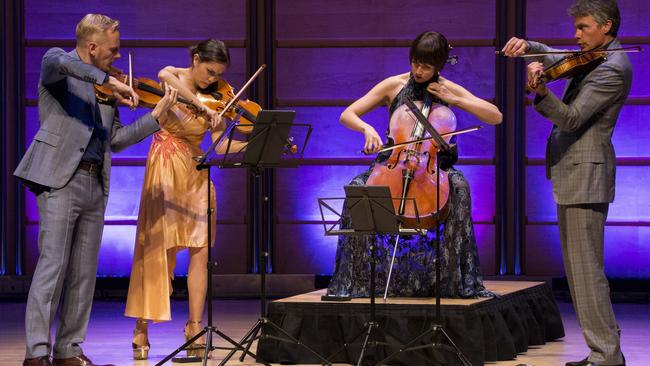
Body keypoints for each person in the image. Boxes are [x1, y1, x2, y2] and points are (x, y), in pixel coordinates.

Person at [14, 14, 178, 366]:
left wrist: (156, 118)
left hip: (95, 181)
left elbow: (115, 139)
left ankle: (69, 349)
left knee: (84, 272)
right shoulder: (56, 62)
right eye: (113, 50)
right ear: (92, 46)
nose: (118, 57)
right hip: (60, 180)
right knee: (52, 267)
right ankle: (37, 353)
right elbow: (63, 64)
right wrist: (109, 81)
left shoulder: (109, 89)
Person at [326, 31, 502, 299]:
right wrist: (367, 130)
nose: (418, 71)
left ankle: (458, 281)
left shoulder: (448, 88)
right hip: (393, 164)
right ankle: (355, 280)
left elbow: (495, 116)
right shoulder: (393, 85)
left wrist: (454, 99)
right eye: (415, 63)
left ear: (439, 66)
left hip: (434, 169)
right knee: (356, 188)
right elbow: (347, 114)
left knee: (460, 188)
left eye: (427, 66)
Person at [501, 1, 630, 365]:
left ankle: (606, 355)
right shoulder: (593, 56)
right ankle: (605, 351)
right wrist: (528, 47)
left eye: (583, 28)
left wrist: (542, 93)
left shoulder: (613, 68)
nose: (576, 35)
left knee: (586, 273)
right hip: (576, 175)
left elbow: (572, 119)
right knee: (580, 272)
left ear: (606, 27)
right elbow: (559, 56)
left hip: (585, 176)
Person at [124, 39, 246, 360]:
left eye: (218, 74)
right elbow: (166, 75)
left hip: (196, 170)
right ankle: (142, 326)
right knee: (158, 246)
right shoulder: (173, 76)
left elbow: (219, 148)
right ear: (195, 60)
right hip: (165, 164)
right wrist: (201, 105)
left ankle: (194, 327)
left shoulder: (219, 96)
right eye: (209, 71)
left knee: (201, 250)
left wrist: (254, 143)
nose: (212, 80)